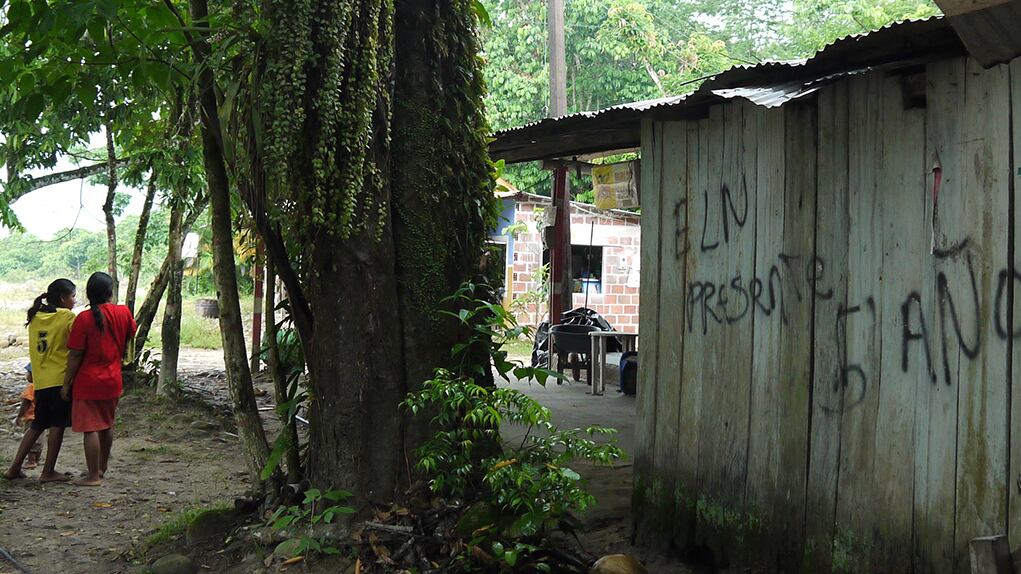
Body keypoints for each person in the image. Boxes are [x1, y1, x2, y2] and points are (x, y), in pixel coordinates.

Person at [62, 272, 136, 487]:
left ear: (89, 294)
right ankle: (102, 468)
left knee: (90, 428)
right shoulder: (123, 312)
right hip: (113, 378)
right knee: (106, 424)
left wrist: (66, 383)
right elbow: (131, 333)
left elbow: (75, 354)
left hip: (88, 381)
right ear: (110, 292)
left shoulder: (84, 319)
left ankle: (92, 475)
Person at [4, 279, 77, 482]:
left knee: (38, 424)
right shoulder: (67, 316)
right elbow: (77, 345)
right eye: (73, 296)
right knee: (57, 425)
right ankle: (48, 471)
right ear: (63, 298)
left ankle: (14, 468)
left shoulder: (35, 316)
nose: (75, 300)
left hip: (41, 381)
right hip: (60, 380)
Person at [17, 365, 44, 469]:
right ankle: (37, 459)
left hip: (31, 418)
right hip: (41, 417)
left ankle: (31, 461)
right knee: (40, 439)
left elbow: (26, 403)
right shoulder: (42, 386)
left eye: (28, 373)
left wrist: (20, 416)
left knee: (31, 440)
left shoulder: (31, 387)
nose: (26, 375)